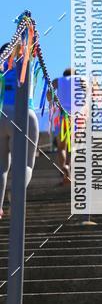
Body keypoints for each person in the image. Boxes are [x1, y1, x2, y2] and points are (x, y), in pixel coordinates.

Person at [0, 43, 39, 219]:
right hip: (23, 113)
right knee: (26, 164)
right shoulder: (26, 64)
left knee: (1, 166)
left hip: (1, 113)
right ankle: (16, 193)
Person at [50, 68, 73, 184]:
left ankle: (64, 169)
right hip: (75, 116)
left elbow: (49, 94)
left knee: (61, 147)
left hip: (61, 116)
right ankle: (69, 166)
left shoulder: (57, 81)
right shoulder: (80, 80)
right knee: (73, 146)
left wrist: (54, 101)